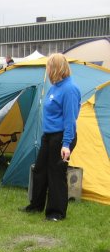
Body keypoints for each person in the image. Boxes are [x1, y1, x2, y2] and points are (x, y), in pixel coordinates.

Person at [20, 53, 81, 221]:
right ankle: (36, 206)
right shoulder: (55, 87)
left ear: (55, 68)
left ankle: (56, 212)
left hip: (62, 137)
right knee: (40, 170)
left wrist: (66, 144)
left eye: (48, 66)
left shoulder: (70, 89)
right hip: (49, 136)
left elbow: (70, 119)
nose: (46, 70)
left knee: (56, 174)